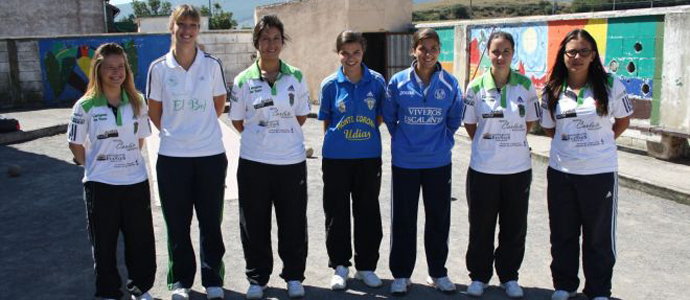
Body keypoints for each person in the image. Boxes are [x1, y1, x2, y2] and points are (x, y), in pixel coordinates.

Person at [540, 29, 632, 300]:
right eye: (571, 52)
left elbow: (623, 120)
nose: (577, 57)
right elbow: (549, 128)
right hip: (561, 172)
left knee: (598, 235)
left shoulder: (611, 85)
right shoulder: (553, 88)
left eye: (583, 51)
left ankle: (598, 289)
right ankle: (564, 286)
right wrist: (571, 146)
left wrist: (602, 141)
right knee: (563, 232)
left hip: (599, 172)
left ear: (593, 56)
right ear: (563, 55)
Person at [145, 4, 228, 300]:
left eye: (193, 24)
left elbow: (218, 105)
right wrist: (178, 132)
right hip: (172, 158)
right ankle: (181, 280)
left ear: (198, 29)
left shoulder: (211, 65)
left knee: (210, 220)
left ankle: (213, 278)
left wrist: (198, 130)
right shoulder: (158, 68)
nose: (187, 30)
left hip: (210, 155)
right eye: (182, 24)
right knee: (177, 223)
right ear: (172, 27)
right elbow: (155, 113)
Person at [229, 15, 311, 300]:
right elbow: (238, 122)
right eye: (265, 39)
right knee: (254, 223)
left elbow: (300, 117)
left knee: (293, 222)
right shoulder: (242, 80)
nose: (271, 44)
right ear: (256, 43)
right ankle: (257, 278)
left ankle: (294, 276)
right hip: (254, 163)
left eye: (276, 38)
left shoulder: (296, 76)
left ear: (282, 41)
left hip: (290, 162)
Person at [67, 42, 156, 300]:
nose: (116, 72)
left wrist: (124, 161)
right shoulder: (84, 106)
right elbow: (75, 144)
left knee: (139, 242)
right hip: (100, 185)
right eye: (110, 67)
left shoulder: (137, 101)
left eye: (121, 67)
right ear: (98, 70)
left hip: (134, 182)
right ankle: (108, 291)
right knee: (103, 244)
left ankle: (140, 288)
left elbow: (139, 140)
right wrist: (95, 167)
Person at [382, 27, 464, 296]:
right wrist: (405, 142)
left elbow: (453, 121)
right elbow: (391, 119)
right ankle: (401, 275)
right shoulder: (397, 82)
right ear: (413, 50)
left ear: (439, 51)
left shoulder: (450, 84)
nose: (428, 54)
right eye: (422, 48)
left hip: (438, 162)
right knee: (404, 219)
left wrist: (440, 143)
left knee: (439, 219)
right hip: (405, 162)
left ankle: (438, 273)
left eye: (433, 49)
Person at [461, 31, 540, 298]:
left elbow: (528, 123)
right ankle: (479, 276)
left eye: (506, 51)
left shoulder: (526, 86)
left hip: (517, 170)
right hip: (483, 170)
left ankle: (509, 276)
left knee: (514, 226)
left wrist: (509, 143)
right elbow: (471, 125)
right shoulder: (475, 87)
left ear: (512, 53)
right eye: (496, 51)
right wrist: (490, 145)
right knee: (480, 226)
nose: (501, 56)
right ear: (487, 52)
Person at [318, 30, 386, 291]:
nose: (350, 57)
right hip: (336, 159)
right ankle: (340, 266)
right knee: (336, 212)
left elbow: (379, 117)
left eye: (356, 52)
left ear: (363, 52)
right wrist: (339, 144)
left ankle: (366, 267)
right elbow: (326, 121)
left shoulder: (377, 82)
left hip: (368, 157)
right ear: (339, 54)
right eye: (345, 53)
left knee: (368, 211)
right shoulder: (329, 85)